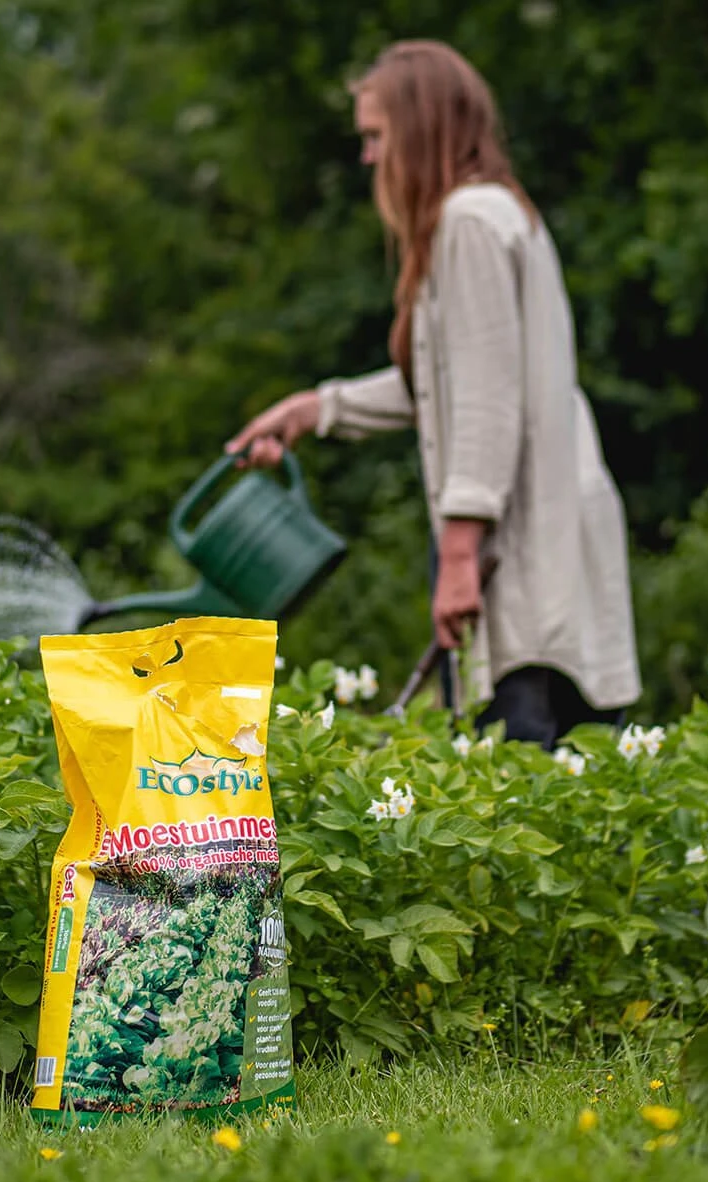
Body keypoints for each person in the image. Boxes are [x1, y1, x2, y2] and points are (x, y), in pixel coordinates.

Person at [226, 39, 641, 749]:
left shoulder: (467, 225)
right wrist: (317, 410)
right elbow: (461, 380)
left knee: (517, 790)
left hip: (515, 557)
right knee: (581, 781)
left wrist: (456, 557)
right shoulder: (503, 212)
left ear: (419, 131)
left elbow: (484, 404)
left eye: (375, 137)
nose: (367, 158)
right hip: (551, 540)